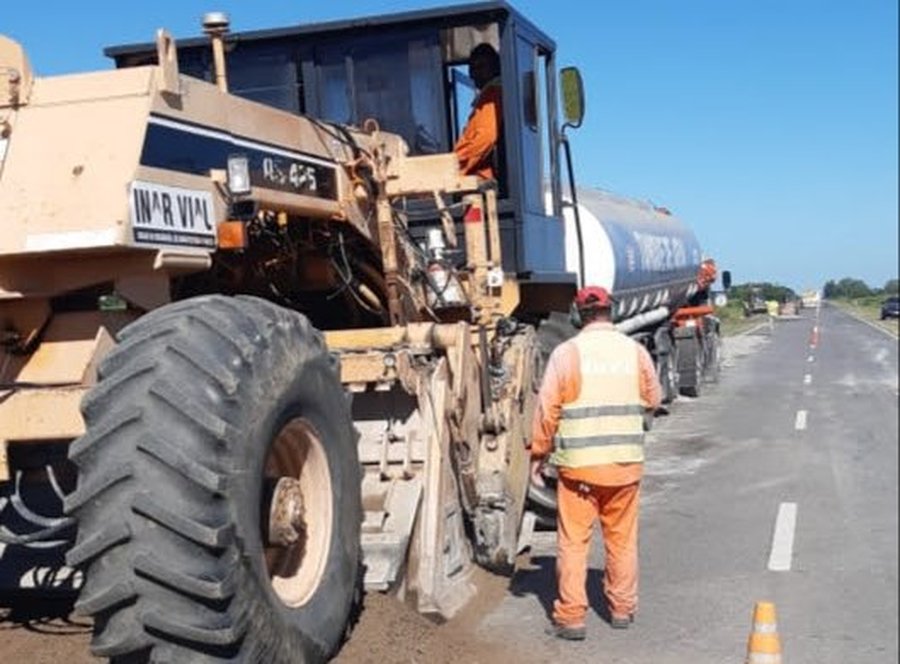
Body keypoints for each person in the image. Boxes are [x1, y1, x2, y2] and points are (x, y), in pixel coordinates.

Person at [530, 286, 662, 641]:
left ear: (577, 314)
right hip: (624, 466)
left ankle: (572, 619)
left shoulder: (566, 353)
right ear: (611, 311)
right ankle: (622, 609)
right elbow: (654, 398)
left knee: (574, 543)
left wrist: (539, 454)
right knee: (621, 541)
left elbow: (546, 410)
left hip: (579, 470)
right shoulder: (634, 352)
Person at [454, 43, 503, 180]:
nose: (474, 74)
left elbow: (485, 138)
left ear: (495, 67)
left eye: (481, 67)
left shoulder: (492, 94)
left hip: (483, 180)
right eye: (472, 69)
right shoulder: (490, 95)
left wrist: (455, 166)